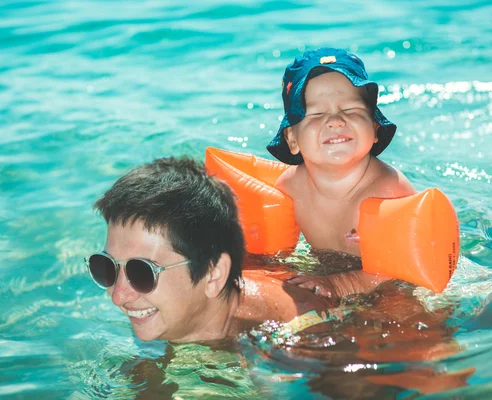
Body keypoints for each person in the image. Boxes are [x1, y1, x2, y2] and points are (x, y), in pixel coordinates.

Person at [87, 156, 333, 343]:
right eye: (106, 267)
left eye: (141, 273)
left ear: (213, 275)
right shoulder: (171, 313)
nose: (118, 296)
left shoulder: (296, 343)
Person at [266, 47, 417, 298]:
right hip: (328, 273)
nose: (335, 121)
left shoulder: (388, 192)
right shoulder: (290, 188)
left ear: (375, 126)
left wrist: (340, 285)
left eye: (350, 110)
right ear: (292, 139)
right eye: (316, 113)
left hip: (393, 289)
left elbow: (401, 270)